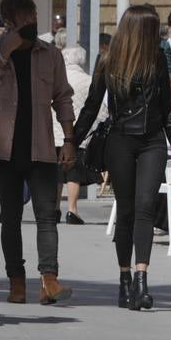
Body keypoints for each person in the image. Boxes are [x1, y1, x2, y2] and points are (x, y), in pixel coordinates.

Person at [74, 4, 171, 311]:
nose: (158, 33)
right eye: (154, 28)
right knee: (126, 210)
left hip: (152, 141)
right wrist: (72, 140)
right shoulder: (108, 61)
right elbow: (92, 105)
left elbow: (166, 108)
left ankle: (141, 280)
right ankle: (124, 279)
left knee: (146, 207)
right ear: (142, 30)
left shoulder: (157, 61)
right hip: (120, 141)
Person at [0, 0, 77, 305]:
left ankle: (49, 280)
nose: (33, 21)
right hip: (3, 149)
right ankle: (16, 283)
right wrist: (4, 52)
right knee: (10, 218)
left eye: (34, 15)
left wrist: (69, 140)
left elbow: (63, 97)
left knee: (47, 216)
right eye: (26, 16)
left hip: (41, 148)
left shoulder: (49, 54)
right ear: (9, 21)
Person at [58, 45, 97, 225]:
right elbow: (98, 109)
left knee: (56, 172)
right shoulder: (88, 80)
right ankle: (72, 210)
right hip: (77, 132)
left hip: (55, 131)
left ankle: (54, 208)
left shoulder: (56, 78)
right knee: (73, 171)